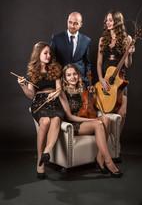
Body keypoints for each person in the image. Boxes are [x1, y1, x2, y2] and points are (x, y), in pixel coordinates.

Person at [60, 64, 123, 177]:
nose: (72, 77)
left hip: (85, 120)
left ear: (78, 75)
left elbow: (91, 106)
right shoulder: (63, 93)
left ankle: (99, 157)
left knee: (106, 118)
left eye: (74, 74)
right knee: (98, 124)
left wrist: (93, 95)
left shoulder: (82, 88)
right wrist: (92, 121)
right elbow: (69, 117)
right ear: (65, 78)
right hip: (74, 124)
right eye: (69, 75)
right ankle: (108, 162)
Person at [17, 42, 65, 179]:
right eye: (45, 53)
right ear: (38, 54)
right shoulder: (33, 71)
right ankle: (40, 161)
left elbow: (59, 89)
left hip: (54, 100)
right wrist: (23, 86)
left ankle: (47, 152)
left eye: (49, 53)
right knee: (44, 122)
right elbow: (31, 95)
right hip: (39, 101)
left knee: (56, 119)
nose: (48, 55)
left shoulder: (55, 68)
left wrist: (55, 94)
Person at [97, 11, 135, 149]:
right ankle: (106, 144)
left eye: (111, 20)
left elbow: (128, 64)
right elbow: (99, 63)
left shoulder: (127, 38)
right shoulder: (103, 40)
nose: (108, 22)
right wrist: (101, 79)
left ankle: (115, 143)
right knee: (107, 113)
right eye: (107, 20)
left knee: (122, 114)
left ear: (118, 22)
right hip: (106, 81)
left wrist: (129, 54)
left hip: (120, 81)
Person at [50, 12, 91, 86]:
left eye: (75, 23)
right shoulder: (57, 38)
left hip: (80, 80)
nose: (72, 26)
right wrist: (56, 78)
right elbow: (51, 60)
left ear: (81, 24)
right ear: (67, 21)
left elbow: (87, 63)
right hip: (61, 79)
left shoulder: (86, 40)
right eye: (70, 22)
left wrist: (88, 80)